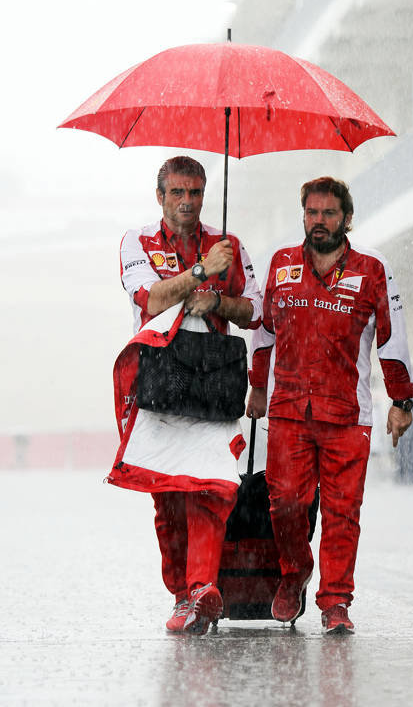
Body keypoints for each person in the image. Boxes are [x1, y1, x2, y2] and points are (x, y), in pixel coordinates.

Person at [247, 176, 413, 634]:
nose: (318, 221)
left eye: (328, 213)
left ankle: (336, 601)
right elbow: (263, 331)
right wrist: (257, 386)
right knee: (284, 504)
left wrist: (401, 400)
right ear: (303, 215)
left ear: (347, 219)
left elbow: (393, 339)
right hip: (288, 412)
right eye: (311, 213)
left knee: (343, 513)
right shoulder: (281, 264)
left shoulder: (372, 269)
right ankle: (294, 573)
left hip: (347, 414)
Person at [108, 156, 263, 635]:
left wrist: (216, 298)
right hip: (158, 379)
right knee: (168, 498)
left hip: (214, 380)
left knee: (213, 488)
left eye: (195, 192)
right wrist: (201, 272)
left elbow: (256, 311)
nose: (187, 202)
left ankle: (202, 588)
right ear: (160, 196)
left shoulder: (228, 244)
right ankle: (181, 594)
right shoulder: (137, 241)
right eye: (177, 193)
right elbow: (150, 300)